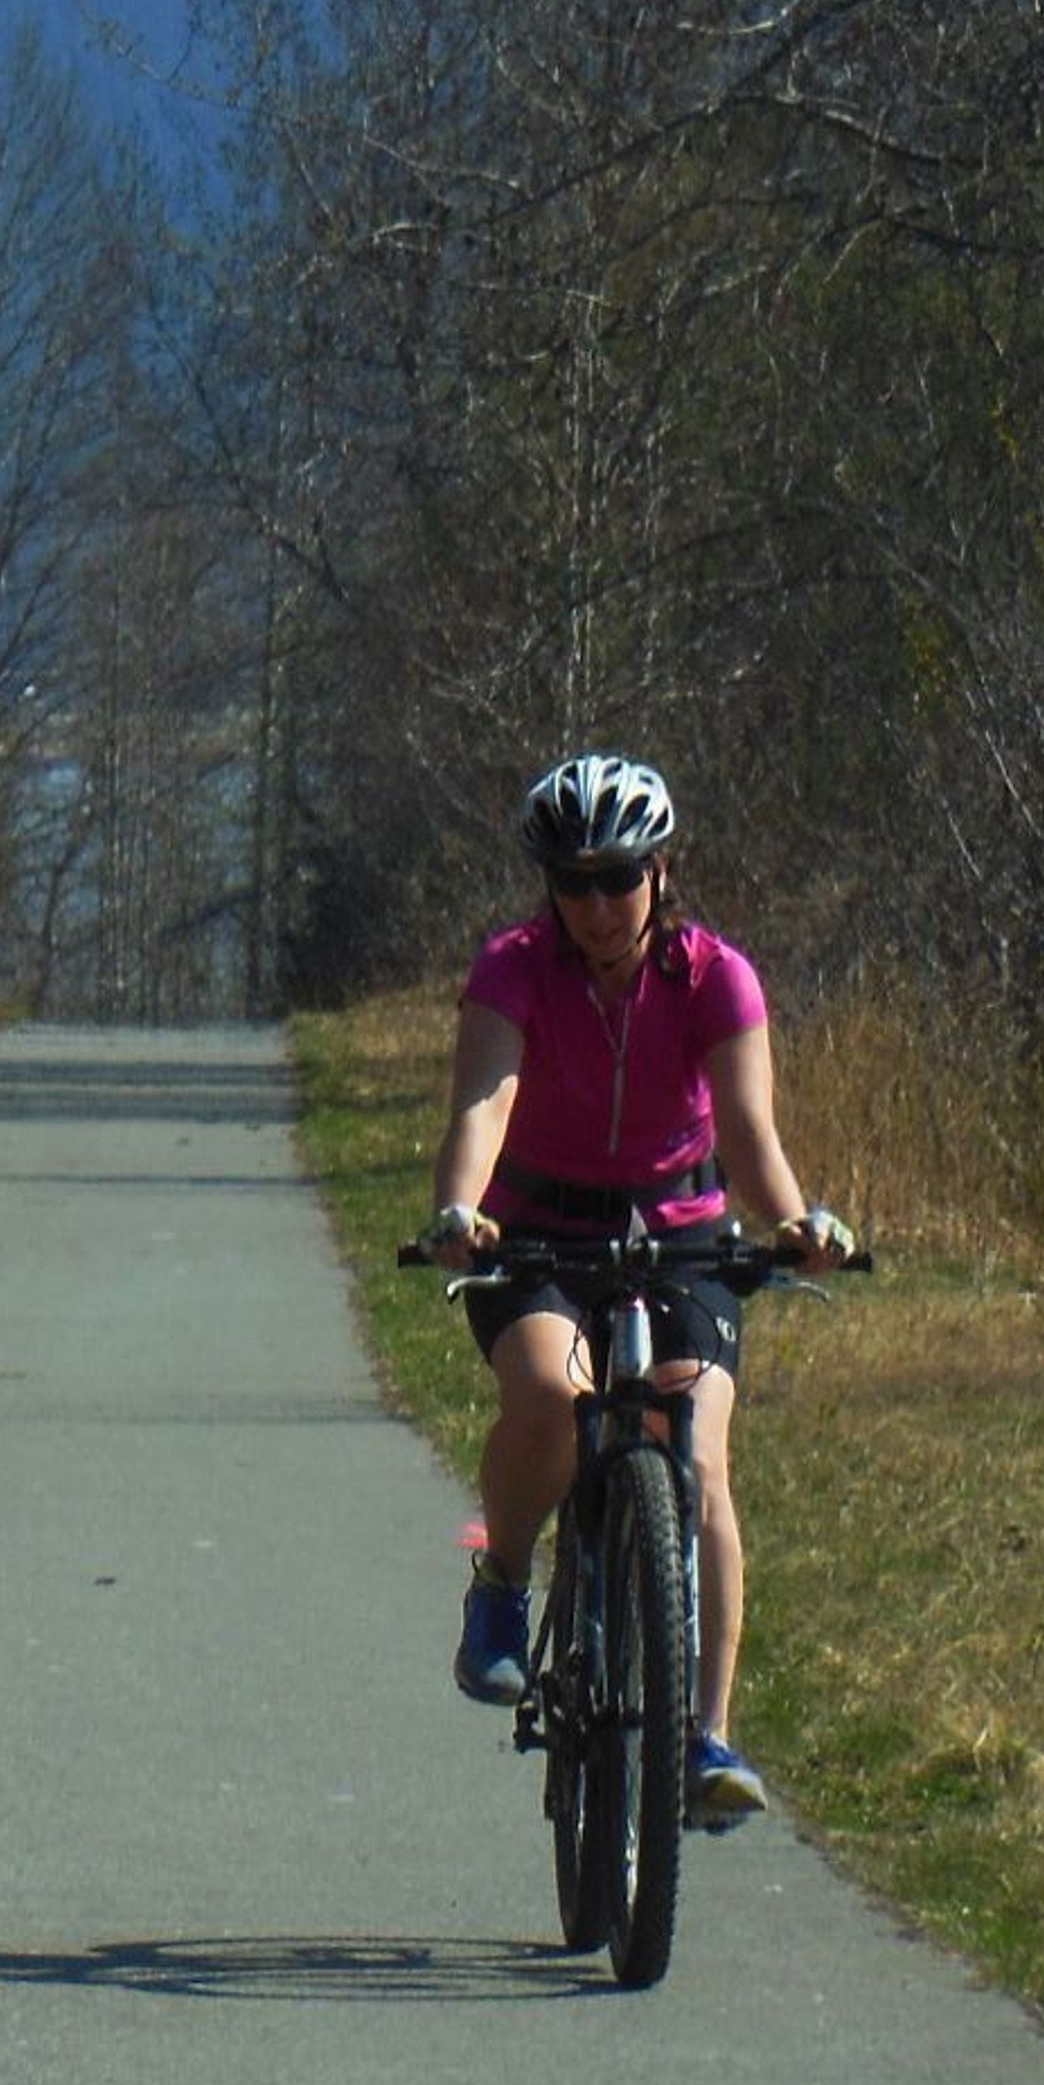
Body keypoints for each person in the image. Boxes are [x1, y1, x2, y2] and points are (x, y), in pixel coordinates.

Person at [417, 750, 847, 1833]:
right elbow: (486, 1096)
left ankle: (705, 1732)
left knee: (696, 1449)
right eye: (575, 880)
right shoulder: (515, 966)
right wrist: (460, 1210)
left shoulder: (715, 975)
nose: (599, 904)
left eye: (620, 876)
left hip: (680, 1231)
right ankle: (506, 1587)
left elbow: (749, 1135)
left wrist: (794, 1224)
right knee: (555, 1395)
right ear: (547, 886)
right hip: (537, 1230)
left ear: (661, 870)